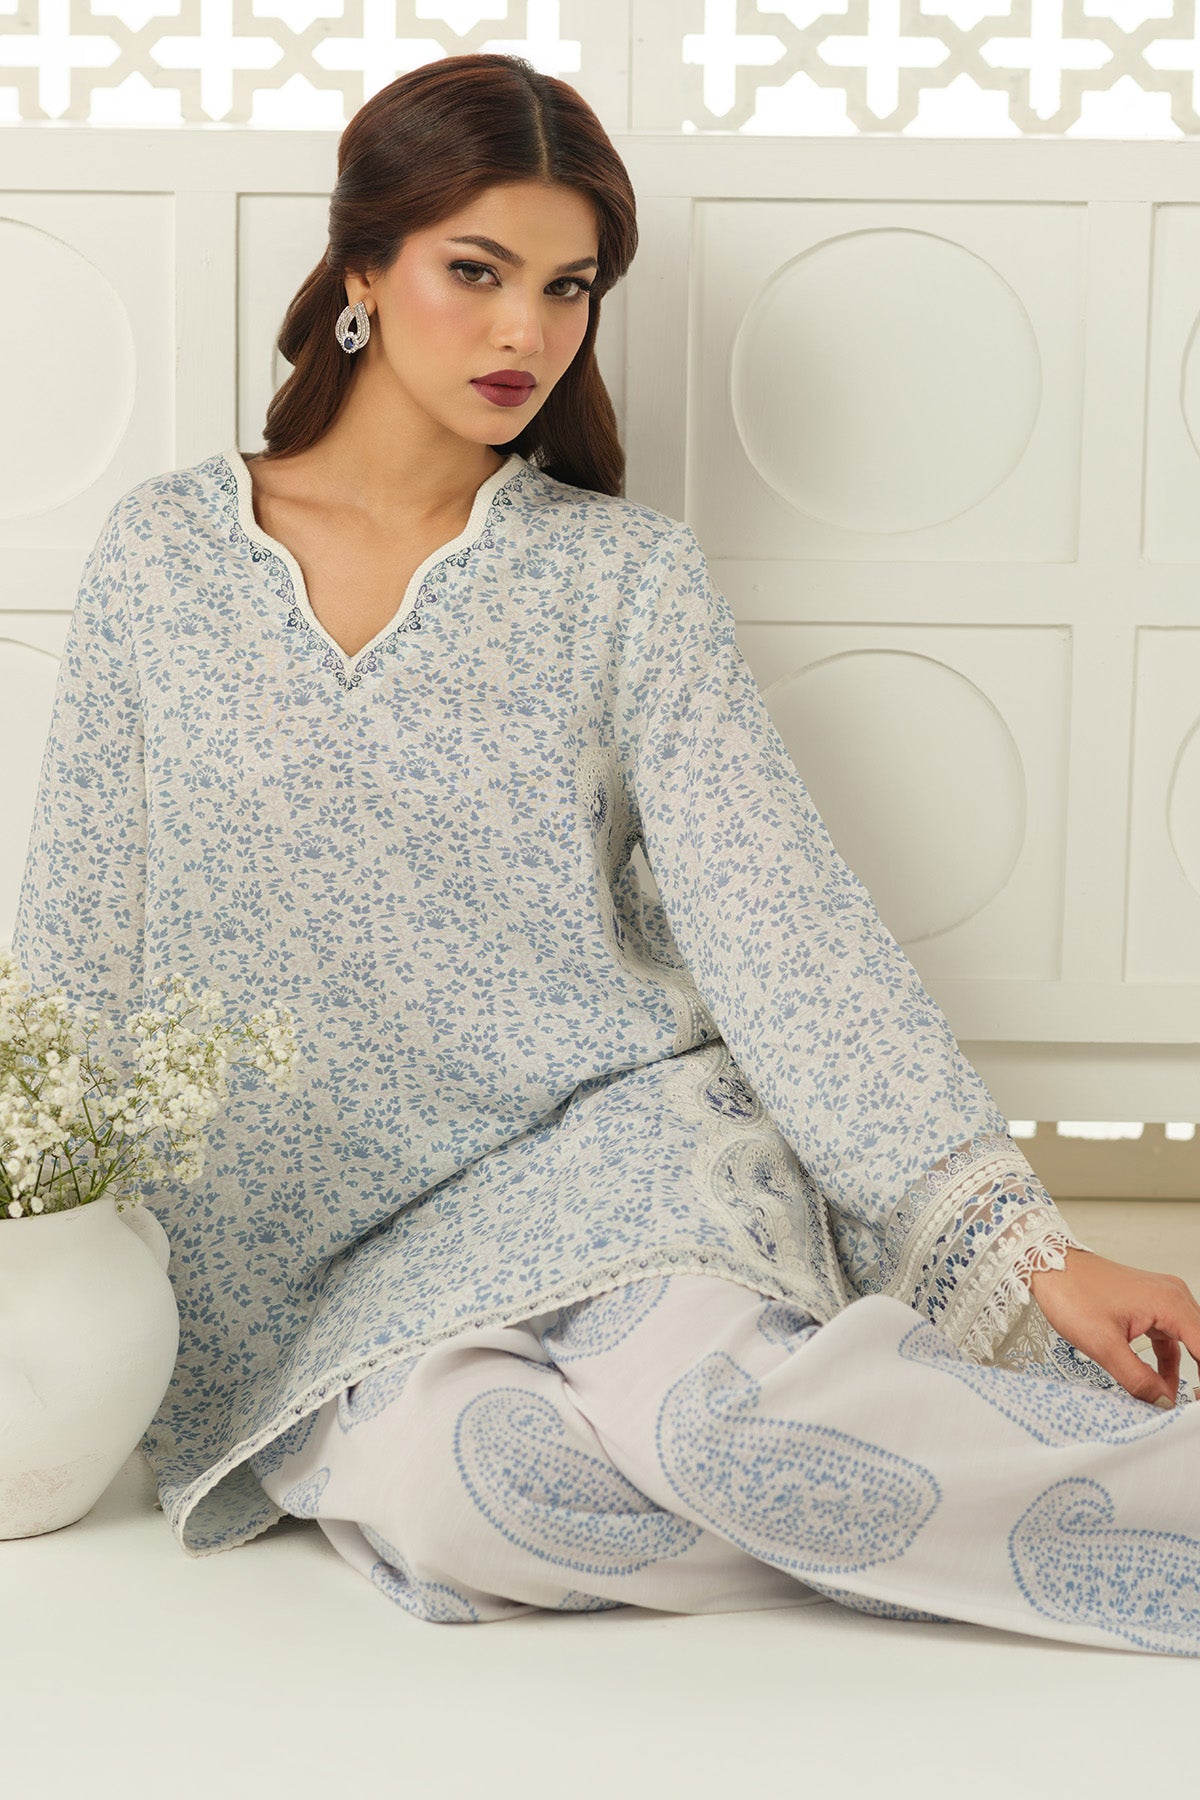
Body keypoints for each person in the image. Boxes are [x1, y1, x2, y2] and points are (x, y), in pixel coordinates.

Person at [12, 51, 1200, 1656]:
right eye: (476, 272)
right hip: (313, 1266)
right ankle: (926, 1488)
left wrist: (1024, 1248)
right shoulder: (165, 558)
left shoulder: (621, 581)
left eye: (567, 287)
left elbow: (782, 928)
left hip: (615, 1158)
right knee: (472, 1506)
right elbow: (74, 931)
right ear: (361, 271)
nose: (527, 331)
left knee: (718, 1426)